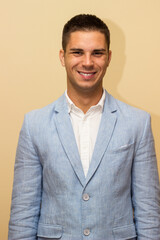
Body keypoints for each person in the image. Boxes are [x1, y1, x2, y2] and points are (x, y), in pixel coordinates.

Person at [8, 14, 160, 240]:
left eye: (97, 53)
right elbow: (23, 214)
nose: (87, 62)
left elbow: (149, 212)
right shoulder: (34, 124)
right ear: (62, 56)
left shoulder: (138, 122)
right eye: (77, 52)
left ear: (108, 58)